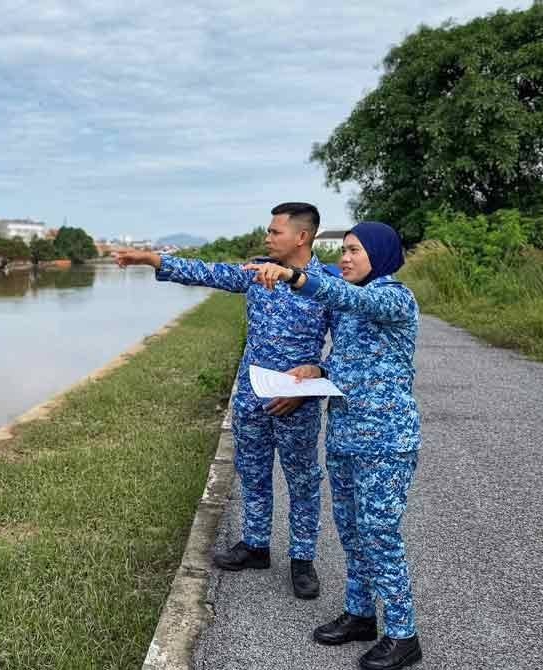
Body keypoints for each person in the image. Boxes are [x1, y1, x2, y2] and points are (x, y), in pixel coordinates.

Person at [116, 202, 330, 600]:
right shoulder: (255, 272)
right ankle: (255, 545)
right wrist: (152, 259)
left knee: (303, 480)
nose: (267, 237)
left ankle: (302, 559)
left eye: (275, 232)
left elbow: (348, 348)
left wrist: (317, 374)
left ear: (301, 237)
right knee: (252, 471)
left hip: (295, 402)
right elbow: (209, 272)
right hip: (252, 396)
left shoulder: (325, 285)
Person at [243, 222, 423, 670]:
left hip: (385, 441)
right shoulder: (350, 307)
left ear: (379, 256)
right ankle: (361, 615)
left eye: (354, 251)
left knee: (379, 534)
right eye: (342, 250)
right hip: (344, 437)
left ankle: (404, 635)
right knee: (351, 533)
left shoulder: (392, 297)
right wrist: (314, 368)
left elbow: (351, 298)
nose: (345, 258)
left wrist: (293, 276)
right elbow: (349, 359)